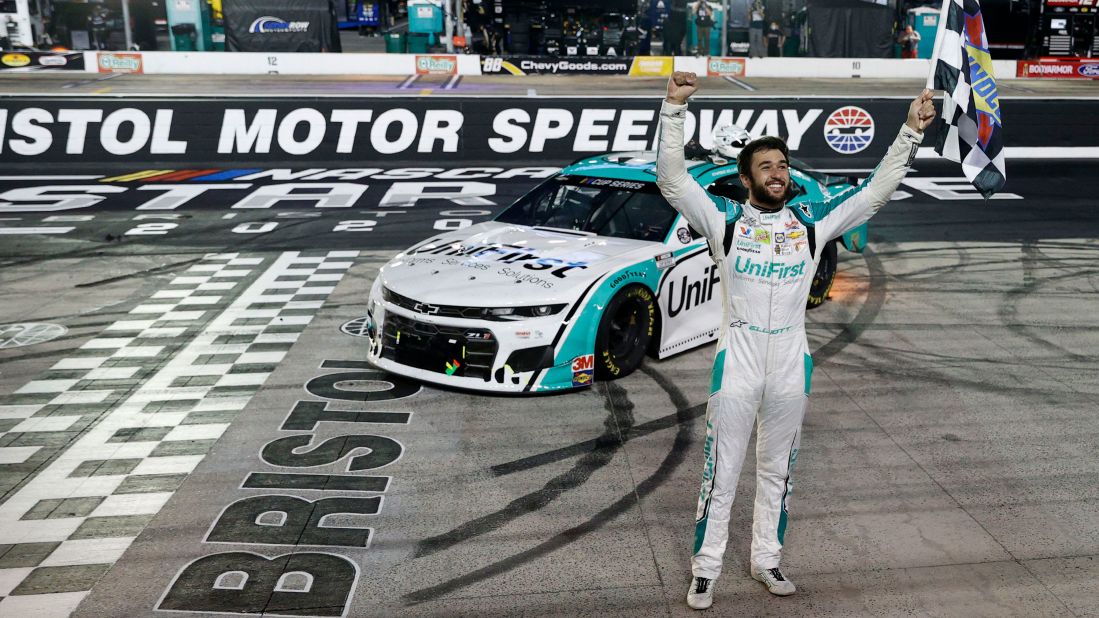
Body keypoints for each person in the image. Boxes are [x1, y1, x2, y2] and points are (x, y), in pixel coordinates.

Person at [656, 71, 935, 610]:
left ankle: (766, 560)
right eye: (766, 167)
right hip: (735, 359)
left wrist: (909, 132)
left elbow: (874, 194)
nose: (778, 173)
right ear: (745, 178)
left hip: (790, 360)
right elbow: (672, 181)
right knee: (723, 468)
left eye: (783, 165)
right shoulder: (725, 223)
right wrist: (673, 108)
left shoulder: (811, 224)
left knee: (777, 470)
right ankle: (706, 568)